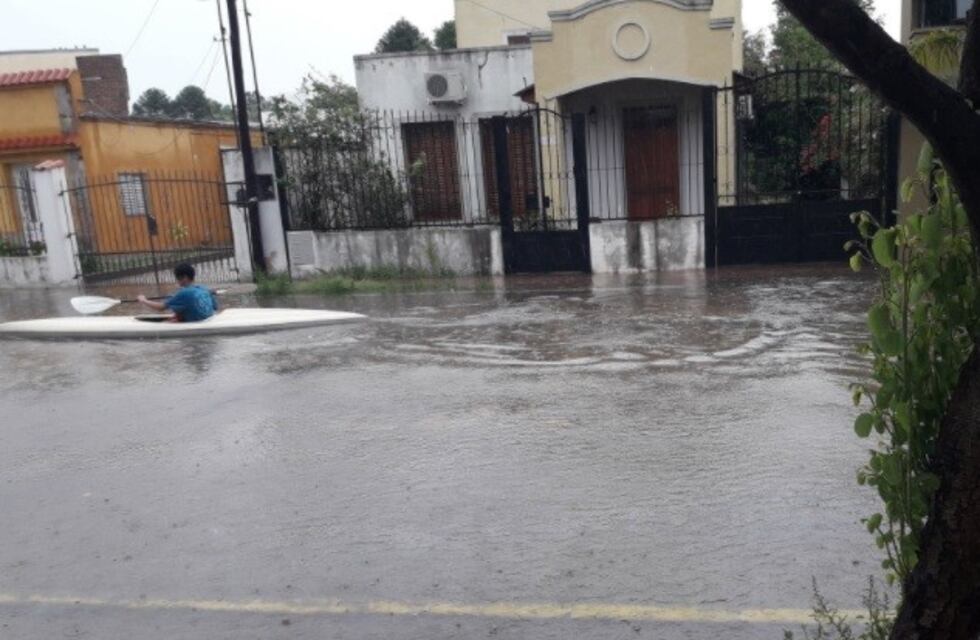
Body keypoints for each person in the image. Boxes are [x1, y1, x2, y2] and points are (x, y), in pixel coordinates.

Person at [138, 263, 219, 322]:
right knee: (178, 313)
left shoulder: (183, 293)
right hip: (208, 319)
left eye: (177, 278)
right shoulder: (204, 288)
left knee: (172, 319)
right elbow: (215, 308)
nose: (177, 280)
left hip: (198, 323)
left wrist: (144, 300)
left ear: (184, 277)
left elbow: (161, 307)